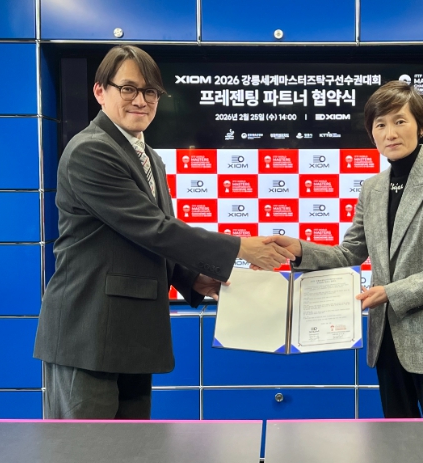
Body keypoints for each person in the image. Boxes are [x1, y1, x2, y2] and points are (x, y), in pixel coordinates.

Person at [33, 45, 294, 419]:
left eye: (150, 91)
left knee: (132, 447)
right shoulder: (91, 150)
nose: (141, 100)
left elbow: (144, 238)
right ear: (100, 91)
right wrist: (240, 247)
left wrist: (192, 278)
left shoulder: (148, 155)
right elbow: (154, 229)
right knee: (84, 447)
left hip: (132, 336)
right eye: (128, 88)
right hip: (87, 334)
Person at [265, 81, 423, 418]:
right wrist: (300, 250)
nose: (390, 133)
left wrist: (391, 293)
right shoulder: (372, 188)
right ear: (371, 133)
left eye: (400, 121)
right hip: (386, 341)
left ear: (421, 126)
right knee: (395, 440)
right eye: (380, 125)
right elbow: (350, 252)